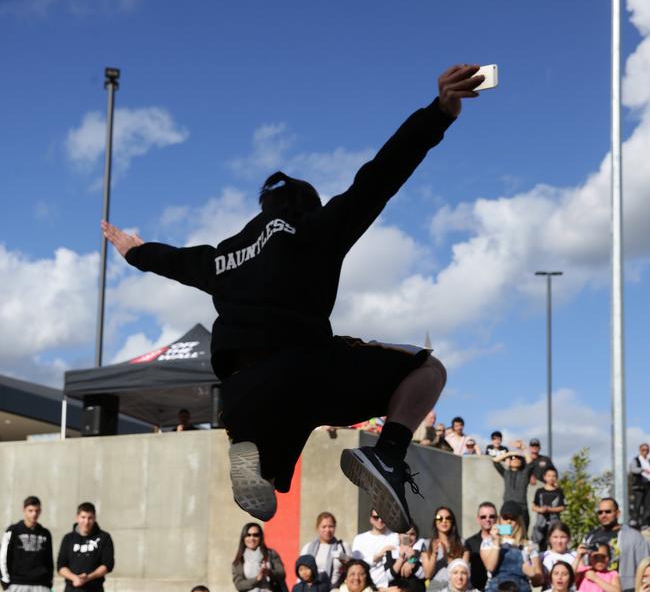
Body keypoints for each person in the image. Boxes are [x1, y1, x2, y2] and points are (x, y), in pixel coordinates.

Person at [101, 64, 486, 535]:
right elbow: (381, 175)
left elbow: (175, 261)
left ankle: (255, 455)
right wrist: (438, 114)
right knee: (429, 369)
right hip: (307, 367)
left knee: (278, 456)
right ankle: (387, 457)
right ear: (312, 205)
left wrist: (135, 252)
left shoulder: (223, 257)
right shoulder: (318, 227)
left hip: (241, 391)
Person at [481, 501, 543, 592]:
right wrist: (496, 542)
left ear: (519, 521)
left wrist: (532, 574)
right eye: (505, 518)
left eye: (513, 518)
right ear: (500, 520)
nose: (509, 521)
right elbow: (490, 566)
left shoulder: (529, 545)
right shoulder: (488, 542)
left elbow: (539, 581)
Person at [584, 497, 650, 590]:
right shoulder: (590, 537)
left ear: (617, 513)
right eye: (600, 512)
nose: (604, 515)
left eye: (608, 511)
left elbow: (645, 567)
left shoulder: (634, 536)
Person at [231, 522, 287, 592]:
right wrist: (256, 579)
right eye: (248, 535)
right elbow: (239, 585)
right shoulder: (239, 560)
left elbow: (282, 574)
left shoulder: (270, 554)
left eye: (255, 535)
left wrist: (269, 572)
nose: (252, 538)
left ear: (261, 537)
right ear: (243, 538)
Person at [420, 506, 469, 587]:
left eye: (448, 518)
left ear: (452, 521)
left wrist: (448, 555)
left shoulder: (462, 543)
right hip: (436, 587)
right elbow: (428, 574)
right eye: (439, 518)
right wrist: (434, 554)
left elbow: (465, 570)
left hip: (456, 587)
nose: (444, 521)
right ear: (435, 522)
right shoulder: (427, 544)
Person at [350, 511, 400, 588]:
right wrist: (375, 557)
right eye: (376, 517)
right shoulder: (359, 539)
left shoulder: (395, 536)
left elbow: (402, 556)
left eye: (383, 517)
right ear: (371, 519)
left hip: (389, 586)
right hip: (364, 586)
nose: (380, 520)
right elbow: (355, 564)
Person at [300, 512, 350, 586]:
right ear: (317, 528)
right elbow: (301, 571)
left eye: (331, 526)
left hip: (336, 590)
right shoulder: (307, 548)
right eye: (324, 527)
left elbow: (353, 567)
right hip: (314, 590)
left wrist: (345, 559)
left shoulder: (343, 546)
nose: (327, 530)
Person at [491, 450, 535, 531]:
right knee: (505, 532)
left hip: (522, 508)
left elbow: (531, 464)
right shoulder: (506, 473)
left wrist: (523, 448)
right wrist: (509, 454)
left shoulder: (525, 473)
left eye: (518, 458)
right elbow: (494, 461)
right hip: (507, 507)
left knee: (522, 533)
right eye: (513, 458)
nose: (515, 459)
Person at [463, 502, 497, 592]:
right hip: (477, 591)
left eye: (491, 516)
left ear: (496, 518)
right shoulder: (470, 542)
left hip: (499, 591)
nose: (488, 519)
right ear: (478, 519)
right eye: (483, 517)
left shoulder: (504, 542)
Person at [530, 466, 565, 548]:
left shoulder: (559, 491)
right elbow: (534, 506)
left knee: (554, 543)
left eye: (554, 476)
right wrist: (540, 509)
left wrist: (550, 509)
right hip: (541, 522)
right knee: (540, 543)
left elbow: (562, 507)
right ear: (544, 477)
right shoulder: (540, 491)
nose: (551, 478)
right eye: (549, 476)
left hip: (554, 522)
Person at [541, 521, 575, 586]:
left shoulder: (575, 555)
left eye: (563, 537)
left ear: (569, 538)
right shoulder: (542, 556)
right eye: (555, 537)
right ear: (549, 538)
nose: (559, 541)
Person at [629, 443, 650, 529]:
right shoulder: (636, 460)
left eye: (647, 450)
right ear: (640, 450)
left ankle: (645, 523)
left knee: (647, 505)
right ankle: (634, 521)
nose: (645, 452)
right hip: (639, 485)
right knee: (637, 504)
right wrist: (642, 469)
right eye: (643, 450)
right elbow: (633, 469)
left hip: (648, 485)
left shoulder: (649, 461)